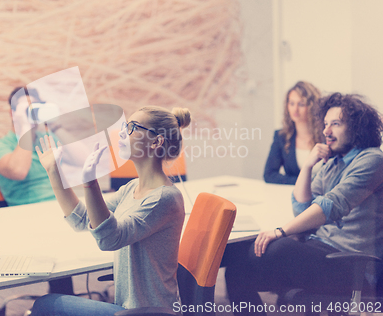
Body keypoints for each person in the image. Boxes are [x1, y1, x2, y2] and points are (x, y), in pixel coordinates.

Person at [226, 93, 383, 315]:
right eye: (326, 124)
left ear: (357, 128)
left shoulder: (372, 160)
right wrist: (308, 165)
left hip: (351, 262)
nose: (326, 131)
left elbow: (330, 206)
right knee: (237, 266)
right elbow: (301, 208)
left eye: (335, 124)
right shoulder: (332, 163)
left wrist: (280, 231)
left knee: (276, 248)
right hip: (319, 249)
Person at [31, 106, 191, 316]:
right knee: (48, 305)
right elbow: (84, 219)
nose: (122, 132)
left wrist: (91, 183)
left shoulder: (164, 198)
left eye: (132, 127)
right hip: (128, 309)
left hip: (148, 312)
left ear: (156, 141)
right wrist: (54, 170)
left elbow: (109, 239)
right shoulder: (132, 188)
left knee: (46, 306)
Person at [0, 86, 84, 295]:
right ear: (11, 113)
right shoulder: (0, 146)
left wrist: (55, 124)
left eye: (36, 108)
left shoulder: (47, 137)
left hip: (64, 208)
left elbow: (84, 160)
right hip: (31, 218)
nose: (32, 113)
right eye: (26, 108)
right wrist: (24, 127)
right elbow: (19, 170)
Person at [264, 81, 323, 184]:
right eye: (291, 103)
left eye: (301, 104)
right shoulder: (282, 136)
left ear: (312, 106)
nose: (295, 109)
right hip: (293, 194)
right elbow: (269, 174)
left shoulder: (326, 135)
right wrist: (304, 183)